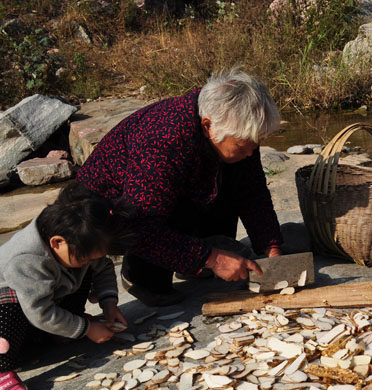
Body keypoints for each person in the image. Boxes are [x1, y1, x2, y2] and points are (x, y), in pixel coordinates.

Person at [76, 67, 283, 307]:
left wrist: (271, 247)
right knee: (155, 274)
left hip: (172, 187)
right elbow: (140, 224)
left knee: (233, 174)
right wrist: (213, 259)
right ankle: (139, 275)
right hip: (111, 215)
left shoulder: (232, 129)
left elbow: (252, 190)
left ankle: (194, 259)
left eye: (254, 145)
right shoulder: (164, 139)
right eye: (242, 146)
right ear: (208, 126)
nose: (250, 153)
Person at [0, 183, 135, 390]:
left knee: (80, 273)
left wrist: (109, 305)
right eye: (84, 258)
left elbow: (102, 268)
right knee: (9, 303)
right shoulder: (26, 260)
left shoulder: (75, 241)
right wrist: (87, 329)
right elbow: (39, 311)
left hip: (35, 320)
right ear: (57, 243)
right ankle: (3, 374)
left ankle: (58, 331)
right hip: (11, 318)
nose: (87, 261)